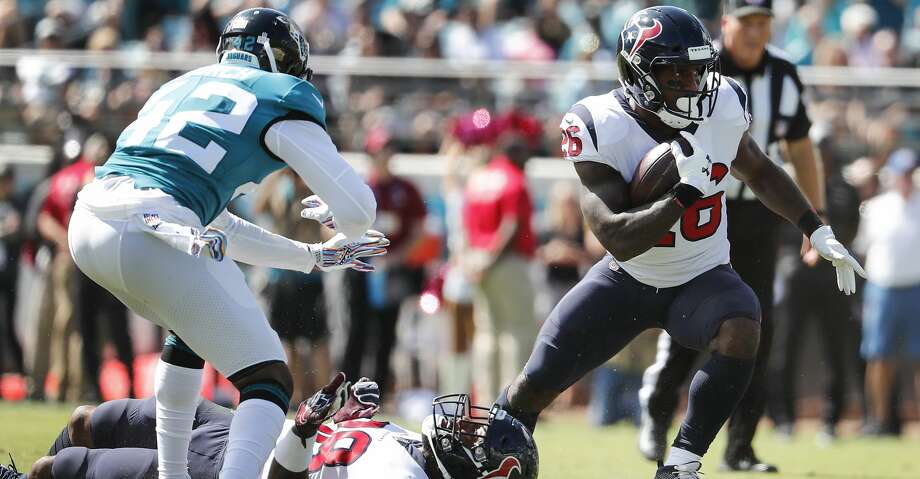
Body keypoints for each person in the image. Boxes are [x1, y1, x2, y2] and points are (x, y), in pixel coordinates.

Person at [495, 6, 864, 479]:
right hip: (628, 278)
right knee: (535, 384)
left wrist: (815, 227)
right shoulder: (599, 122)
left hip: (701, 275)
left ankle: (682, 463)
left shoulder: (724, 102)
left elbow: (758, 167)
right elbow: (616, 237)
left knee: (743, 323)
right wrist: (683, 195)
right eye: (676, 73)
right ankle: (492, 452)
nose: (693, 84)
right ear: (638, 74)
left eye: (699, 70)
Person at [66, 9, 388, 479]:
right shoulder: (280, 96)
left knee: (192, 325)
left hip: (93, 221)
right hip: (154, 234)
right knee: (268, 379)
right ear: (281, 60)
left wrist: (310, 257)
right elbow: (361, 211)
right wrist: (344, 218)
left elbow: (221, 227)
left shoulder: (177, 88)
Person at [637, 0, 827, 472]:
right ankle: (659, 410)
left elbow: (799, 146)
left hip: (761, 216)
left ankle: (740, 446)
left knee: (754, 325)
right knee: (691, 321)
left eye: (764, 22)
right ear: (727, 23)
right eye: (747, 22)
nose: (755, 32)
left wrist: (814, 219)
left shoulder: (783, 72)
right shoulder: (698, 62)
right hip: (703, 207)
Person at [3, 375, 539, 479]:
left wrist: (304, 430)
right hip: (241, 429)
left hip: (232, 469)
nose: (461, 423)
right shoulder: (414, 448)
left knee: (60, 469)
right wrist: (346, 409)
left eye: (474, 436)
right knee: (91, 420)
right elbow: (349, 442)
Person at [769, 125, 862, 442]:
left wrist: (825, 252)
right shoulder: (790, 184)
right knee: (785, 346)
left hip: (832, 274)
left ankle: (831, 421)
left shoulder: (843, 189)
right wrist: (800, 253)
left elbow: (850, 227)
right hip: (795, 272)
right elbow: (780, 229)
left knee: (835, 347)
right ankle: (783, 419)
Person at [853, 148, 920, 436]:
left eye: (909, 173)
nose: (905, 180)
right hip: (882, 289)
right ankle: (879, 420)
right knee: (879, 356)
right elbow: (863, 247)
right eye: (901, 174)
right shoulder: (877, 207)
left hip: (916, 287)